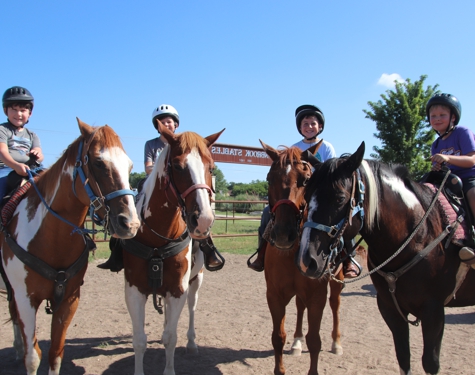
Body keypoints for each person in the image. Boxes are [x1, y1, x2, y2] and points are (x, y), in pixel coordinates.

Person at [98, 104, 225, 272]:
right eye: (163, 122)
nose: (167, 125)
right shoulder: (151, 144)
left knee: (196, 209)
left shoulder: (183, 143)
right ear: (158, 127)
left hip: (176, 185)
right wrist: (161, 169)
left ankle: (208, 248)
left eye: (170, 122)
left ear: (176, 125)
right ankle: (117, 250)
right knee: (132, 206)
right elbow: (148, 167)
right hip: (153, 183)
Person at [247, 104, 361, 278]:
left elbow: (330, 172)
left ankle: (348, 259)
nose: (309, 127)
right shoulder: (295, 147)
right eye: (305, 124)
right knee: (266, 214)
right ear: (300, 128)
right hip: (300, 192)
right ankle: (261, 254)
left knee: (342, 216)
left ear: (320, 127)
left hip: (320, 193)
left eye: (312, 123)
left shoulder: (327, 147)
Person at [426, 93, 475, 267]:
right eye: (433, 116)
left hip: (469, 176)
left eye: (442, 115)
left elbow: (471, 159)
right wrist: (437, 168)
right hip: (448, 181)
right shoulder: (436, 144)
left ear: (453, 117)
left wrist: (447, 159)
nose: (437, 119)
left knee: (473, 195)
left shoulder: (462, 133)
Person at [0, 86, 43, 202]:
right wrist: (15, 166)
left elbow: (40, 153)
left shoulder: (32, 135)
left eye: (23, 110)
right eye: (14, 109)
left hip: (30, 168)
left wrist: (37, 153)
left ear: (30, 113)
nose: (18, 114)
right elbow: (2, 152)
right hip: (6, 168)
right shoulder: (2, 129)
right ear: (5, 110)